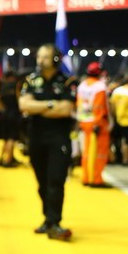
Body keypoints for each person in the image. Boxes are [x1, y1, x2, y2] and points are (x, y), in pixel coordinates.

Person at [19, 44, 75, 241]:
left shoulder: (67, 81)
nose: (40, 60)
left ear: (56, 59)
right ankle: (47, 218)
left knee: (55, 180)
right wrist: (52, 104)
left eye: (45, 57)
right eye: (39, 56)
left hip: (59, 137)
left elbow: (66, 109)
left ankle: (55, 222)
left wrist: (39, 106)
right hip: (36, 136)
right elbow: (24, 105)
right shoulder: (31, 80)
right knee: (42, 182)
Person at [75, 61, 110, 187]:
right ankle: (95, 179)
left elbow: (79, 105)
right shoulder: (100, 87)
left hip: (84, 122)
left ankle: (86, 177)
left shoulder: (82, 85)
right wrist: (99, 123)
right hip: (97, 124)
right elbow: (100, 107)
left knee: (86, 152)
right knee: (98, 153)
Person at [0, 68, 23, 167]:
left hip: (3, 116)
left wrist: (3, 112)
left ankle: (3, 157)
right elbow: (19, 99)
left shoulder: (1, 86)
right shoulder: (17, 85)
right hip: (14, 114)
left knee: (4, 138)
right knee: (11, 138)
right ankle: (7, 160)